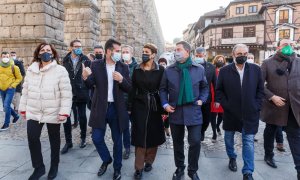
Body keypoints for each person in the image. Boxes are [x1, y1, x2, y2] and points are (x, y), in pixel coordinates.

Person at [19, 43, 72, 180]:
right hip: (34, 110)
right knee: (32, 137)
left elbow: (66, 93)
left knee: (54, 140)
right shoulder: (31, 70)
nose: (45, 52)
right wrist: (23, 108)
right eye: (43, 50)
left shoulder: (60, 70)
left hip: (53, 111)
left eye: (48, 50)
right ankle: (39, 168)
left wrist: (64, 111)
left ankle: (54, 166)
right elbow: (25, 91)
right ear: (38, 54)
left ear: (53, 54)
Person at [82, 39, 131, 180]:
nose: (119, 53)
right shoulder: (96, 65)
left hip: (117, 108)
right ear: (109, 51)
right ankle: (106, 159)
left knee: (117, 140)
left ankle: (117, 168)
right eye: (117, 51)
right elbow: (90, 84)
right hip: (100, 107)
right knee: (96, 138)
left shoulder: (123, 67)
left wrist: (122, 80)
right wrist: (85, 77)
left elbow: (129, 88)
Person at [160, 41, 209, 180]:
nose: (176, 52)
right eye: (175, 49)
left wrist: (202, 100)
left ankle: (192, 170)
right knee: (177, 142)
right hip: (175, 111)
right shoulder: (169, 70)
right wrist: (165, 104)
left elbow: (205, 87)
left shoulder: (199, 69)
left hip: (194, 111)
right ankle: (180, 167)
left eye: (179, 49)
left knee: (195, 141)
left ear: (187, 51)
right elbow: (163, 89)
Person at [215, 44, 264, 180]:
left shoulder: (255, 69)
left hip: (250, 112)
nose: (242, 56)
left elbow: (261, 89)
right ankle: (232, 157)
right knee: (228, 137)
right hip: (231, 112)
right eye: (239, 54)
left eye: (245, 53)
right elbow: (219, 91)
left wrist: (257, 105)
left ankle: (248, 171)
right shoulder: (225, 71)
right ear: (233, 55)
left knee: (248, 141)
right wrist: (227, 104)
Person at [261, 39, 300, 179]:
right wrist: (272, 97)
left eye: (291, 44)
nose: (289, 46)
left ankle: (299, 169)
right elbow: (259, 85)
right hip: (275, 107)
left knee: (295, 138)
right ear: (278, 47)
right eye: (285, 44)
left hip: (294, 108)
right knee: (270, 131)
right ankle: (268, 155)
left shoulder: (298, 62)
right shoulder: (268, 63)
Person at [131, 43, 165, 179]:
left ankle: (149, 161)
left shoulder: (161, 70)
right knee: (140, 136)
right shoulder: (136, 69)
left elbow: (163, 89)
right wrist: (129, 107)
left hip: (155, 106)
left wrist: (164, 109)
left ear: (153, 54)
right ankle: (138, 168)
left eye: (146, 51)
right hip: (139, 105)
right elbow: (133, 89)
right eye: (143, 51)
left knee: (153, 136)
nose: (144, 53)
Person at [61, 39, 91, 154]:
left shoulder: (86, 60)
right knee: (66, 117)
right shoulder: (66, 59)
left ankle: (83, 138)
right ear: (71, 48)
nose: (79, 48)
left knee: (82, 116)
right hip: (68, 92)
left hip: (81, 91)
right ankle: (68, 142)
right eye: (76, 46)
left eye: (80, 46)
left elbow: (89, 75)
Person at [193, 47, 216, 142]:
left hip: (206, 99)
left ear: (204, 56)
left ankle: (202, 131)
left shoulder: (211, 67)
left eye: (200, 56)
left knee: (206, 119)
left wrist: (217, 99)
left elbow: (215, 83)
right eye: (196, 56)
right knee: (194, 118)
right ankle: (196, 134)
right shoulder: (191, 66)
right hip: (193, 98)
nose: (198, 57)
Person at [121, 45, 138, 160]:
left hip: (135, 102)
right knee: (125, 126)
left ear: (132, 54)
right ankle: (127, 147)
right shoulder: (118, 66)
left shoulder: (137, 68)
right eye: (123, 52)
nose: (125, 54)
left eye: (127, 52)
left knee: (136, 125)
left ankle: (136, 143)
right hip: (122, 101)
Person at [0, 52, 22, 131]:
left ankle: (6, 124)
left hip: (10, 88)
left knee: (6, 105)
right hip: (1, 89)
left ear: (9, 57)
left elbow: (19, 78)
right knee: (6, 107)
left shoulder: (14, 67)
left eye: (7, 56)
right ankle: (16, 116)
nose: (5, 57)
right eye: (3, 56)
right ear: (1, 57)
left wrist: (12, 85)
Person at [210, 55, 226, 137]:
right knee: (213, 114)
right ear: (215, 61)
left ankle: (217, 126)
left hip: (222, 94)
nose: (220, 61)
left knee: (221, 115)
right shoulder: (212, 69)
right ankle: (214, 133)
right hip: (213, 93)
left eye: (222, 60)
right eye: (219, 60)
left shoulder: (226, 70)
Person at [158, 57, 170, 137]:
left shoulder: (168, 73)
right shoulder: (156, 73)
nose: (162, 65)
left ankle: (166, 127)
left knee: (166, 113)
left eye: (164, 64)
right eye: (161, 64)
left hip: (167, 96)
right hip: (158, 96)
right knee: (160, 113)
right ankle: (161, 127)